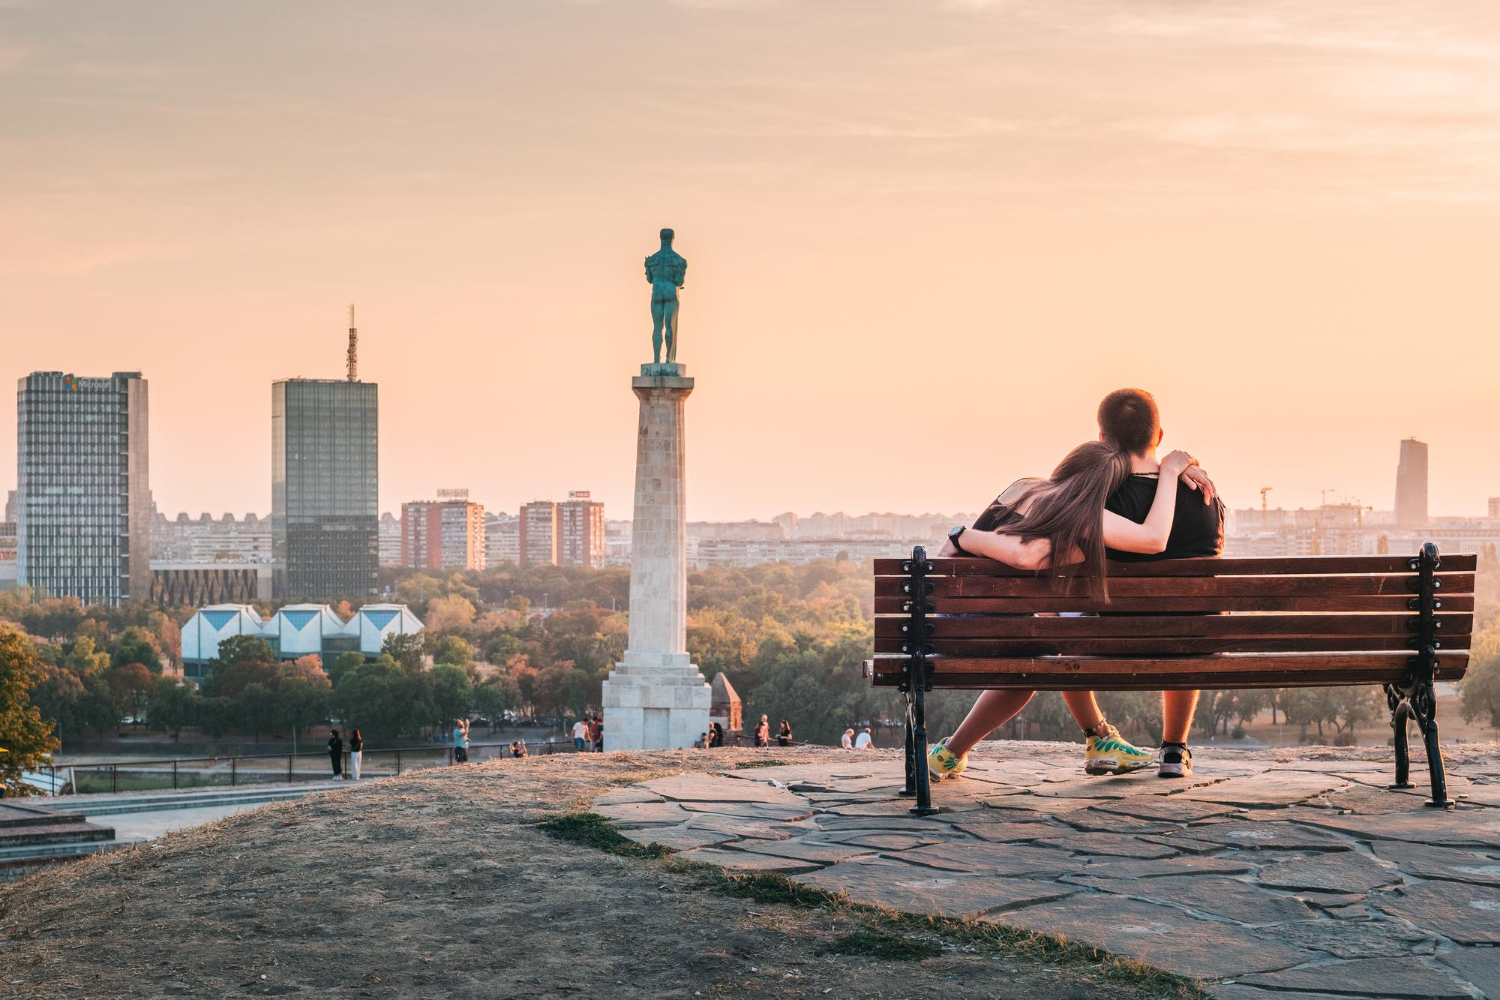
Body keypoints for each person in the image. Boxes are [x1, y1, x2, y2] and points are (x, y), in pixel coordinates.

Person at [928, 388, 1223, 782]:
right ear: (1160, 435)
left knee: (1056, 619)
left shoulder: (1090, 499)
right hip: (1190, 639)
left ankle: (1095, 735)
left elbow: (1036, 558)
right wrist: (1170, 473)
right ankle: (1172, 748)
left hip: (1093, 637)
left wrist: (962, 536)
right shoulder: (1205, 496)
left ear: (1103, 440)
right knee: (1180, 617)